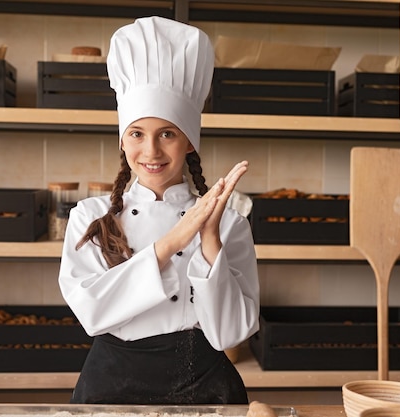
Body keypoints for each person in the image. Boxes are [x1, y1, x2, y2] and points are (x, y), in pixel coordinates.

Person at [58, 16, 259, 405]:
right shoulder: (90, 217)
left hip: (205, 389)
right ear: (122, 140)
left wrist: (209, 240)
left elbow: (231, 333)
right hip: (110, 388)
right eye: (137, 134)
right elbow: (92, 312)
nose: (150, 151)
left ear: (188, 142)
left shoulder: (230, 223)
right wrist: (173, 242)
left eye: (167, 133)